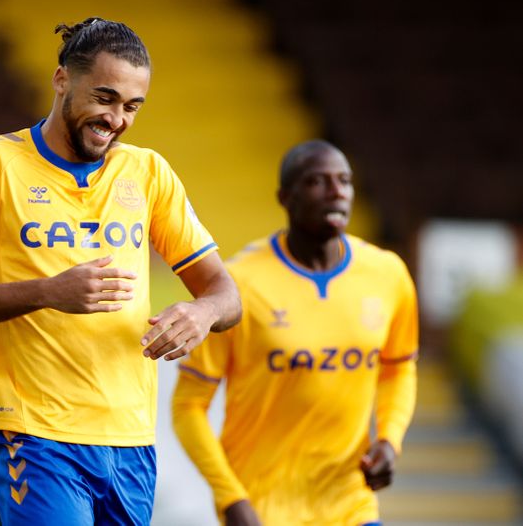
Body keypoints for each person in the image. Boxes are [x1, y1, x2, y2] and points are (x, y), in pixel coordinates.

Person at [0, 17, 241, 525]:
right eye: (105, 98)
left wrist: (201, 314)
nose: (117, 119)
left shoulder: (148, 172)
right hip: (39, 435)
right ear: (62, 79)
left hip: (132, 440)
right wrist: (47, 291)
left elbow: (226, 293)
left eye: (132, 106)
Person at [172, 140, 418, 525]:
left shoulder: (388, 274)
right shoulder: (239, 286)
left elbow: (398, 367)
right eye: (318, 182)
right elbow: (188, 407)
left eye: (344, 181)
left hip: (350, 503)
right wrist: (230, 496)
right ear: (285, 197)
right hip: (261, 508)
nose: (337, 191)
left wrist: (390, 439)